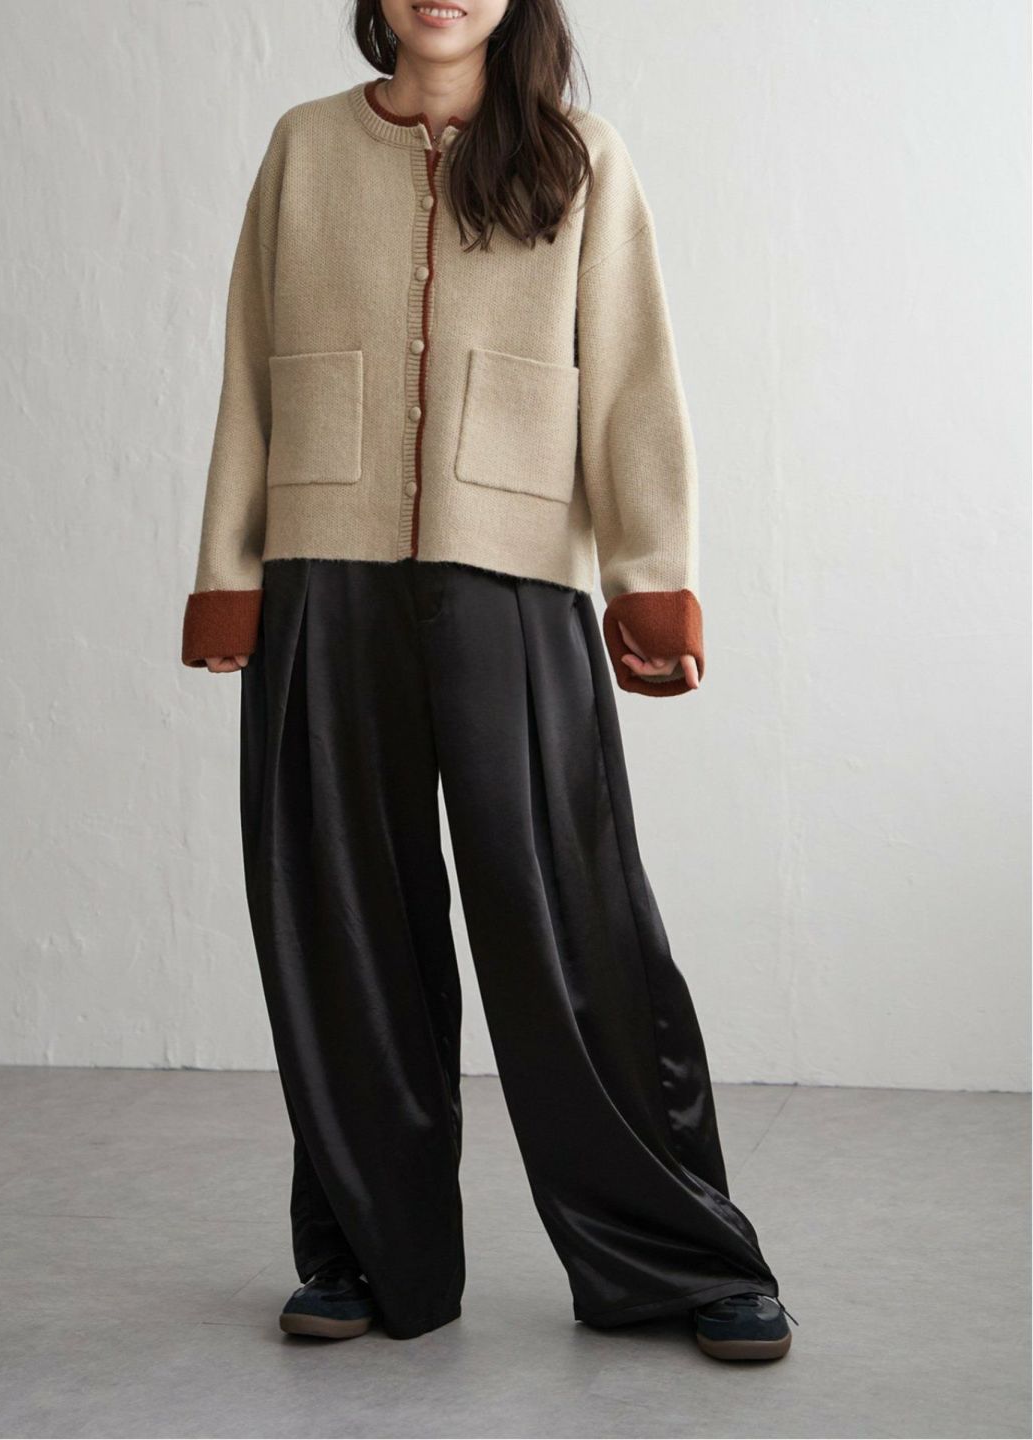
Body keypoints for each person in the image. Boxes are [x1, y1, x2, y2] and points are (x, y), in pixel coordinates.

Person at [180, 0, 794, 1362]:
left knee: (571, 921)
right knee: (343, 925)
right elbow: (249, 373)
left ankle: (677, 1255)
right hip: (326, 581)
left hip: (512, 583)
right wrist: (231, 569)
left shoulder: (579, 155)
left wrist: (650, 576)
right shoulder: (303, 148)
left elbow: (630, 377)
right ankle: (364, 1249)